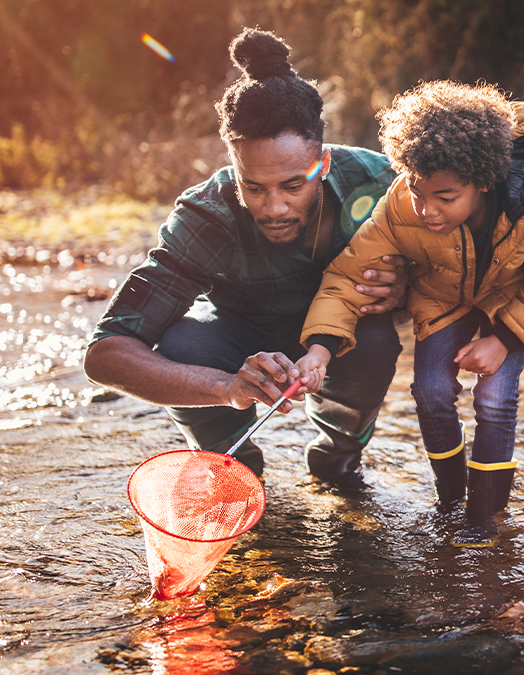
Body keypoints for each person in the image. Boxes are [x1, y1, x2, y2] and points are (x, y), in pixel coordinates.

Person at [83, 27, 406, 488]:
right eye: (253, 187)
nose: (274, 208)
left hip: (345, 338)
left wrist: (406, 288)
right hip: (236, 338)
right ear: (234, 164)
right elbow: (105, 355)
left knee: (376, 342)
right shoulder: (205, 214)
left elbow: (463, 263)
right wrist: (225, 389)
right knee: (182, 345)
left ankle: (338, 457)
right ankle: (235, 472)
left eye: (294, 185)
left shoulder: (381, 183)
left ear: (324, 163)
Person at [296, 80, 524, 544]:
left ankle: (485, 517)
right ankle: (451, 501)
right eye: (417, 190)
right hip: (440, 298)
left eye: (445, 197)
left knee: (494, 398)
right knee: (430, 391)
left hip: (508, 304)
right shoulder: (399, 206)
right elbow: (347, 277)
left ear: (484, 181)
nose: (427, 209)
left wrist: (505, 340)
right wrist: (320, 348)